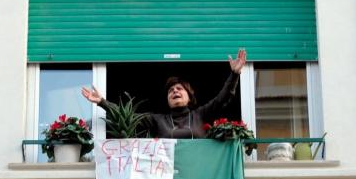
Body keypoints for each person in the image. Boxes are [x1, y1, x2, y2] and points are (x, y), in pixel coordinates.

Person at [81, 49, 247, 139]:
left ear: (189, 96)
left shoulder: (200, 115)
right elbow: (127, 117)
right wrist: (102, 102)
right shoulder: (157, 120)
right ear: (167, 99)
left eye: (179, 88)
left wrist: (234, 75)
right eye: (171, 90)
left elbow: (222, 99)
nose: (175, 91)